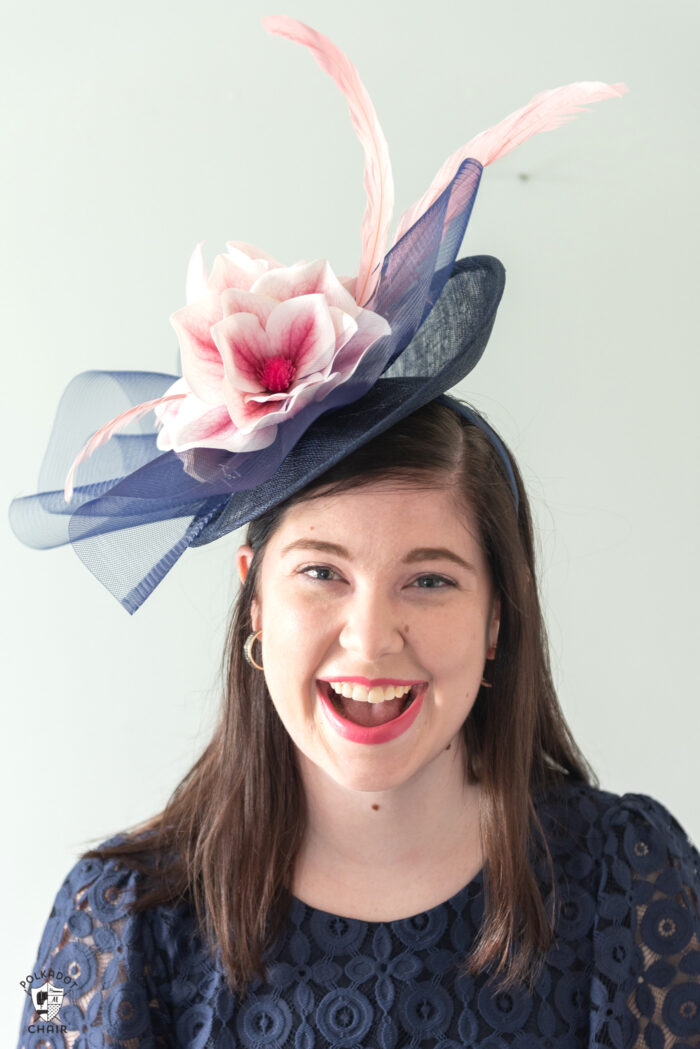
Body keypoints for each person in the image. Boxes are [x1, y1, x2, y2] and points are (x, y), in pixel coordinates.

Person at [11, 16, 699, 1049]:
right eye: (321, 572)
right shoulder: (126, 920)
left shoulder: (626, 880)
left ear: (498, 614)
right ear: (253, 596)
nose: (370, 639)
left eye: (428, 580)